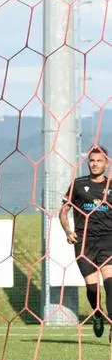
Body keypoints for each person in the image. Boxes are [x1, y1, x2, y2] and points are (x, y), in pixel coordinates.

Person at [59, 146, 112, 341]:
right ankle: (97, 314)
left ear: (106, 163)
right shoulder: (78, 185)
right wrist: (68, 230)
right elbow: (63, 211)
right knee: (92, 288)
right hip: (84, 242)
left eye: (99, 161)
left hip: (108, 240)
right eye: (92, 160)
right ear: (88, 162)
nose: (95, 164)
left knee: (111, 284)